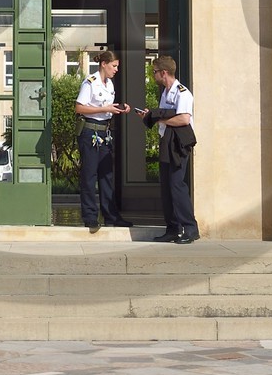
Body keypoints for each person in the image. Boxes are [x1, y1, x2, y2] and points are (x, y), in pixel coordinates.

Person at [139, 55, 197, 243]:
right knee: (166, 187)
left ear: (163, 73)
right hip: (167, 141)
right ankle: (172, 228)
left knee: (177, 185)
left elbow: (183, 119)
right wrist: (151, 117)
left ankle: (190, 228)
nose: (153, 75)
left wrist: (157, 117)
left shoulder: (183, 93)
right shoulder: (165, 92)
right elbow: (165, 117)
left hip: (178, 144)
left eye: (154, 72)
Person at [74, 49, 133, 233]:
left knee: (107, 176)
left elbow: (107, 108)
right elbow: (79, 108)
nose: (116, 70)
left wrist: (119, 108)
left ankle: (111, 216)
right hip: (90, 131)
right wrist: (105, 109)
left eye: (117, 66)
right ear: (104, 64)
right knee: (90, 176)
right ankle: (90, 217)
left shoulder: (110, 84)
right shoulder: (90, 82)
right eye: (114, 66)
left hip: (105, 132)